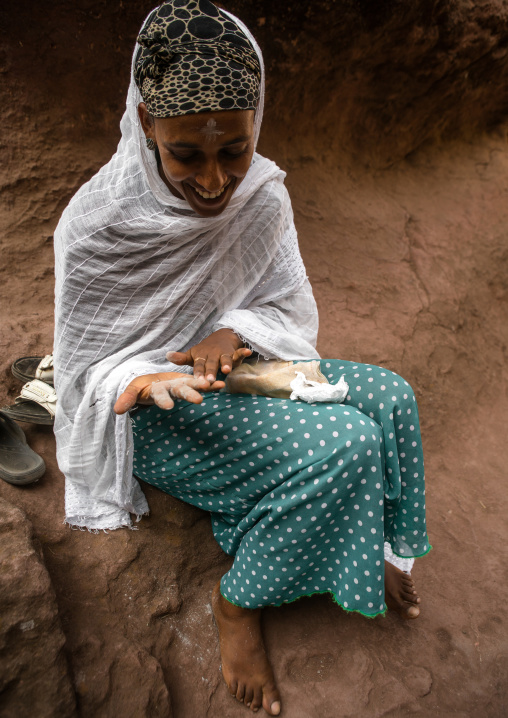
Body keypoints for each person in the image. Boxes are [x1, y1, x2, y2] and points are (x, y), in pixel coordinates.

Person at [53, 2, 431, 714]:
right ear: (144, 125)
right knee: (344, 445)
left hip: (239, 368)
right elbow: (83, 369)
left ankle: (370, 541)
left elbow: (284, 304)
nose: (215, 180)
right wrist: (140, 377)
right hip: (157, 407)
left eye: (234, 148)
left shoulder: (261, 196)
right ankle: (238, 601)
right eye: (186, 154)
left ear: (257, 121)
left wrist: (233, 332)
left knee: (393, 397)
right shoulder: (97, 224)